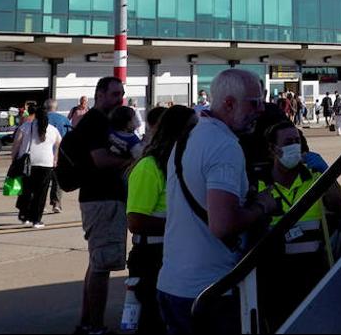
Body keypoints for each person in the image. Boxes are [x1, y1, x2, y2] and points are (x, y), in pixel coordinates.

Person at [157, 70, 279, 335]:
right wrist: (262, 206)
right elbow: (223, 225)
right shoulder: (224, 146)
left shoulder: (186, 139)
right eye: (254, 102)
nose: (261, 110)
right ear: (229, 103)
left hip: (173, 283)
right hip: (210, 291)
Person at [255, 121, 341, 330]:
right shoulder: (258, 184)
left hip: (312, 274)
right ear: (272, 149)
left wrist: (327, 173)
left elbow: (339, 204)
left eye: (296, 141)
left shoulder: (313, 177)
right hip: (275, 279)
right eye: (287, 142)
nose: (294, 146)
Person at [126, 104, 197, 335]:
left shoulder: (186, 163)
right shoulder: (150, 166)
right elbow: (136, 221)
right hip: (152, 257)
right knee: (152, 321)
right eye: (192, 129)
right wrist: (183, 225)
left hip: (178, 252)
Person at [68, 76, 130, 335]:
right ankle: (95, 326)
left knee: (97, 263)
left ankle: (87, 321)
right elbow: (101, 160)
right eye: (115, 94)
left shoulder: (102, 122)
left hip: (102, 199)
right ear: (100, 94)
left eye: (122, 94)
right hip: (102, 200)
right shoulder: (95, 122)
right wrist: (130, 160)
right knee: (102, 266)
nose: (120, 99)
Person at [12, 106, 61, 229]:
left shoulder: (26, 127)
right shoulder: (52, 129)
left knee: (26, 190)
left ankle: (24, 214)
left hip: (28, 162)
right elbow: (59, 143)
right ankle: (36, 220)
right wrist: (55, 157)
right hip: (46, 163)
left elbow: (16, 143)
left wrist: (14, 158)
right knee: (41, 193)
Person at [45, 99, 72, 214]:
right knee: (58, 181)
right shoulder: (64, 120)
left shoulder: (40, 119)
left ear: (45, 107)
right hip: (59, 153)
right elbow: (69, 137)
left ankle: (41, 204)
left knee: (43, 181)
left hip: (43, 153)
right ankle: (56, 203)